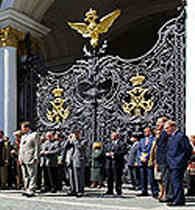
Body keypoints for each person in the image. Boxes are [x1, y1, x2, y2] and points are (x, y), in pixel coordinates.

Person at [165, 120, 193, 206]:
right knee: (174, 182)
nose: (166, 130)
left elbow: (188, 149)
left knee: (177, 182)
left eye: (167, 128)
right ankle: (175, 198)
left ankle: (178, 201)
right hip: (171, 163)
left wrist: (183, 160)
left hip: (178, 163)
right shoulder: (171, 137)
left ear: (173, 127)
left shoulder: (181, 136)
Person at [18, 121, 40, 197]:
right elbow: (20, 148)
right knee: (25, 175)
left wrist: (36, 156)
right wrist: (19, 158)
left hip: (31, 157)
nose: (21, 130)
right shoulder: (23, 136)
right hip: (23, 158)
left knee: (32, 174)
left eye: (23, 128)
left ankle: (31, 189)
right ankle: (26, 188)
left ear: (27, 128)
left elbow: (37, 147)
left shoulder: (34, 135)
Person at [63, 130, 87, 197]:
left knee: (79, 176)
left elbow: (80, 147)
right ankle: (73, 189)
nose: (75, 136)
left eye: (77, 134)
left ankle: (79, 191)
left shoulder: (83, 140)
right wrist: (68, 140)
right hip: (71, 159)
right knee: (71, 176)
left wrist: (74, 140)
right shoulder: (71, 140)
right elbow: (64, 147)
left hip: (79, 159)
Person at [137, 127, 159, 198]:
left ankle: (154, 191)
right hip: (142, 160)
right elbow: (139, 149)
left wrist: (146, 157)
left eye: (147, 131)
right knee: (143, 176)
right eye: (144, 131)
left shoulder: (153, 139)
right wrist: (140, 156)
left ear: (150, 132)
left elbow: (153, 150)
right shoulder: (142, 140)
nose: (145, 132)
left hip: (149, 160)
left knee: (151, 177)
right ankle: (144, 190)